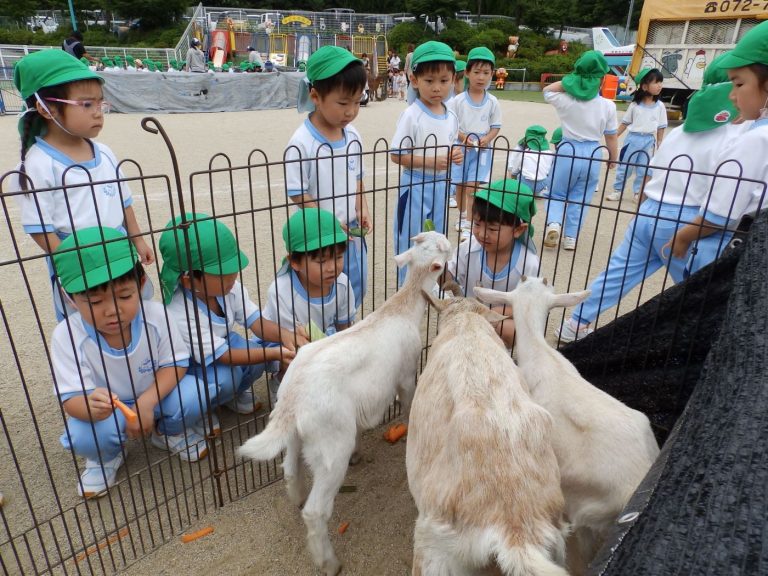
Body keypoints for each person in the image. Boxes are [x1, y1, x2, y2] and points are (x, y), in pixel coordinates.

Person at [556, 56, 742, 342]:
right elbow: (727, 197)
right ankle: (711, 344)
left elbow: (652, 174)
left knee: (616, 274)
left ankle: (575, 323)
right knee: (707, 290)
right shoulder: (734, 135)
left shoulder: (681, 132)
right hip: (690, 221)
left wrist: (642, 210)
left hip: (651, 210)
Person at [51, 228, 210, 498]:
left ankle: (167, 432)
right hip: (111, 409)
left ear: (141, 285)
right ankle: (106, 455)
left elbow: (176, 364)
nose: (113, 310)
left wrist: (146, 402)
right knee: (83, 434)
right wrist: (88, 406)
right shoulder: (66, 335)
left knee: (196, 394)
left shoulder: (156, 315)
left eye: (125, 296)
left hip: (156, 395)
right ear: (70, 299)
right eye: (95, 301)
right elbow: (70, 398)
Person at [10, 50, 154, 321]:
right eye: (87, 105)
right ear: (46, 108)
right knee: (87, 320)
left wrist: (138, 239)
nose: (99, 113)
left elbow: (124, 203)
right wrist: (70, 262)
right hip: (76, 257)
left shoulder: (105, 152)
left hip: (118, 249)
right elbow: (40, 227)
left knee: (133, 311)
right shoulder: (38, 164)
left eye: (101, 104)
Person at [160, 214, 303, 415]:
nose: (232, 277)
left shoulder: (229, 288)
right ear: (188, 280)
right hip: (193, 363)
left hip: (223, 343)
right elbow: (224, 356)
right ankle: (202, 411)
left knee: (255, 356)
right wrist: (274, 352)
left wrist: (285, 335)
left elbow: (257, 322)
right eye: (221, 274)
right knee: (227, 378)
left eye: (233, 269)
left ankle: (230, 396)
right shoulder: (179, 311)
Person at [666, 21, 768, 269]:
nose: (732, 95)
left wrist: (682, 237)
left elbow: (720, 213)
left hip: (726, 248)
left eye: (739, 84)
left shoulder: (757, 139)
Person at [286, 45, 372, 307]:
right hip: (320, 239)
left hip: (351, 232)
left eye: (357, 102)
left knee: (356, 288)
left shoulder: (353, 135)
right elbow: (298, 192)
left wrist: (363, 206)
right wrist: (328, 224)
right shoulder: (301, 143)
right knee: (325, 294)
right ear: (315, 95)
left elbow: (357, 175)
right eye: (343, 103)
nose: (351, 112)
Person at [391, 40, 463, 283]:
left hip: (442, 185)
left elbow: (452, 146)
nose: (437, 88)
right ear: (414, 80)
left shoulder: (451, 115)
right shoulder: (412, 114)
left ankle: (430, 283)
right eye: (429, 81)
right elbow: (396, 154)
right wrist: (431, 162)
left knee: (437, 236)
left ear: (453, 80)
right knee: (413, 237)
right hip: (415, 185)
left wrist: (456, 154)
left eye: (444, 81)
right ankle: (406, 288)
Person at [446, 179, 539, 347]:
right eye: (477, 224)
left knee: (510, 329)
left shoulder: (528, 262)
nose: (482, 233)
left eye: (492, 229)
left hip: (501, 320)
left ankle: (500, 357)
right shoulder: (467, 250)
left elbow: (530, 302)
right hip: (469, 316)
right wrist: (436, 267)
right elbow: (448, 280)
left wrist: (495, 313)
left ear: (518, 230)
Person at [542, 50, 619, 251]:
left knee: (557, 193)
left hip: (568, 149)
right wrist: (613, 158)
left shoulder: (566, 100)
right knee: (581, 197)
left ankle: (554, 223)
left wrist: (572, 80)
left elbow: (548, 90)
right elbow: (611, 136)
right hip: (594, 152)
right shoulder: (608, 106)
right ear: (601, 79)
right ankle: (570, 237)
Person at [264, 208, 356, 340]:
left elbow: (345, 331)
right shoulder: (281, 292)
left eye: (338, 257)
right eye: (321, 261)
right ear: (294, 262)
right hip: (282, 345)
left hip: (318, 342)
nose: (332, 268)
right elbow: (292, 341)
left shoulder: (343, 284)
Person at [448, 47, 502, 240]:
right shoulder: (458, 101)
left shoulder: (493, 102)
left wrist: (487, 138)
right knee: (461, 185)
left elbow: (495, 127)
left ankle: (469, 222)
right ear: (468, 73)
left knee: (472, 185)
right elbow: (452, 126)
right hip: (462, 148)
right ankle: (462, 215)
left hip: (481, 150)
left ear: (492, 75)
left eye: (486, 73)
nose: (481, 77)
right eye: (477, 72)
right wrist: (464, 139)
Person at [606, 68, 667, 202]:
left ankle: (638, 192)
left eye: (661, 82)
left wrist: (660, 143)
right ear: (645, 86)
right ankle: (617, 190)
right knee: (625, 167)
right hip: (633, 140)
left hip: (649, 141)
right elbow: (625, 123)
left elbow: (661, 127)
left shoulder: (660, 106)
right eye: (656, 82)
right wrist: (613, 138)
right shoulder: (635, 105)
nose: (660, 86)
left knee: (643, 169)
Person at [507, 125, 554, 197]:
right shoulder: (550, 153)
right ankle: (540, 192)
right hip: (541, 184)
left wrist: (512, 175)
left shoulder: (524, 153)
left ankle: (521, 190)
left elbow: (514, 171)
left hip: (525, 183)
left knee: (517, 172)